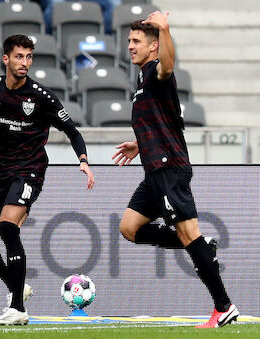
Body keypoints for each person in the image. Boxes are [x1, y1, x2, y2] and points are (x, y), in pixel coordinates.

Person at [0, 34, 94, 325]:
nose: (25, 63)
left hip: (29, 170)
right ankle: (15, 285)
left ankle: (17, 308)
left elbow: (73, 131)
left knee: (7, 226)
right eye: (19, 56)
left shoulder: (41, 96)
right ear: (6, 59)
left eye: (29, 57)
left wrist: (83, 161)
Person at [112, 13, 238, 328]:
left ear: (154, 47)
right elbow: (166, 121)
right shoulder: (142, 79)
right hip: (154, 169)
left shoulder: (157, 69)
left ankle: (223, 306)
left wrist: (166, 30)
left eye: (136, 41)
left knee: (187, 232)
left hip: (168, 168)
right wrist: (140, 144)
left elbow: (169, 65)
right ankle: (199, 244)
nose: (130, 46)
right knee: (129, 228)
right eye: (129, 40)